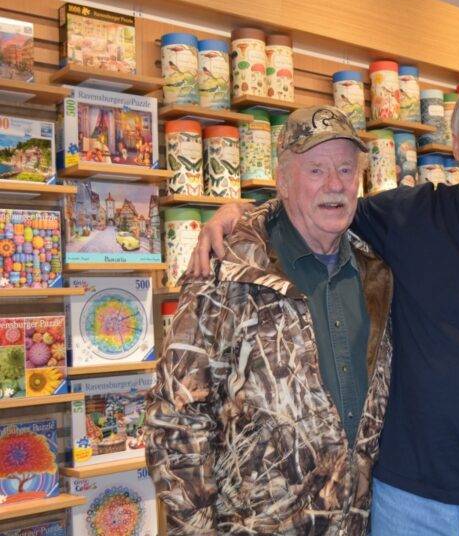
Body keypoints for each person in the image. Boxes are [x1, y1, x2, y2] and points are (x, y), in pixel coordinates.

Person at [191, 72, 459, 536]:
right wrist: (236, 213)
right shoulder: (406, 216)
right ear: (456, 141)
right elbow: (316, 200)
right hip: (409, 507)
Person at [145, 106, 394, 535]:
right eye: (315, 169)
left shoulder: (380, 267)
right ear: (282, 180)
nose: (334, 184)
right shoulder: (228, 266)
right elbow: (176, 420)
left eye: (346, 169)